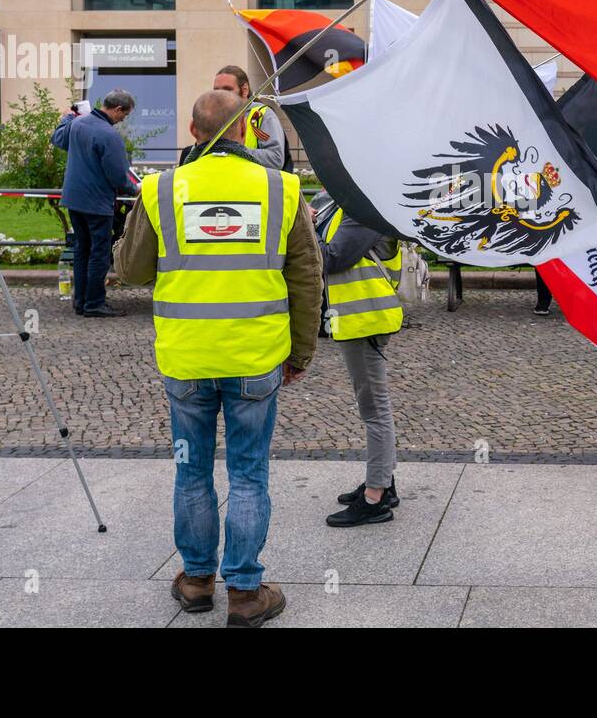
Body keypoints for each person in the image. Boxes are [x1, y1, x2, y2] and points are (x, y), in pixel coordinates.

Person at [113, 90, 323, 628]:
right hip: (257, 358)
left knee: (191, 471)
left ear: (192, 129)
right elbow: (305, 276)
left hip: (186, 361)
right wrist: (300, 350)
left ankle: (197, 580)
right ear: (247, 132)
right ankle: (247, 592)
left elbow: (131, 272)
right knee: (249, 473)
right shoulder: (281, 189)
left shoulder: (161, 190)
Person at [312, 193, 404, 528]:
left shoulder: (365, 209)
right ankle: (384, 482)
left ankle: (375, 499)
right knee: (375, 407)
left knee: (374, 410)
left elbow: (333, 257)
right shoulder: (350, 204)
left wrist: (299, 228)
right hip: (358, 318)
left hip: (365, 319)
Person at [51, 89, 137, 318]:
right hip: (97, 202)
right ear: (118, 109)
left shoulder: (79, 124)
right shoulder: (109, 136)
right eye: (124, 115)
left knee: (81, 250)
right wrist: (135, 189)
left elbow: (57, 138)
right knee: (99, 253)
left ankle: (81, 302)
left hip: (73, 199)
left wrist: (68, 116)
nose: (123, 120)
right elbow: (119, 176)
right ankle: (95, 303)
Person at [178, 65, 290, 171]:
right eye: (216, 90)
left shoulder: (263, 115)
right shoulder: (213, 114)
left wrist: (231, 151)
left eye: (227, 90)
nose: (220, 95)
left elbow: (275, 159)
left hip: (249, 184)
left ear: (245, 90)